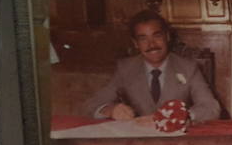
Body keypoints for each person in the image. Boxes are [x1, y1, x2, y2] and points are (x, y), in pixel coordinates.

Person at [82, 9, 221, 122]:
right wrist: (110, 110)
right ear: (135, 43)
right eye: (143, 39)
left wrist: (182, 116)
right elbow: (90, 105)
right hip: (138, 143)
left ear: (167, 37)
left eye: (157, 36)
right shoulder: (125, 68)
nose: (152, 45)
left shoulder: (188, 67)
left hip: (176, 140)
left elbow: (211, 107)